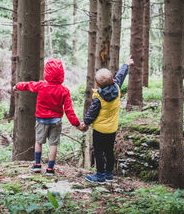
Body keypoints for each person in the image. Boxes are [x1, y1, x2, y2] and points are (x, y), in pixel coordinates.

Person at [14, 59, 82, 175]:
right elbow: (69, 110)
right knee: (53, 144)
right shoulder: (64, 90)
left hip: (41, 120)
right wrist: (77, 124)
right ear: (61, 74)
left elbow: (28, 85)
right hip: (56, 121)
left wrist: (17, 86)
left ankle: (37, 165)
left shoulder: (41, 85)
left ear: (47, 72)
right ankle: (50, 169)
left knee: (38, 142)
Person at [81, 56, 134, 184]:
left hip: (100, 130)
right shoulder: (117, 87)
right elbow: (121, 75)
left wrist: (85, 123)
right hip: (112, 129)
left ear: (97, 84)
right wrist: (126, 64)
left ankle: (100, 176)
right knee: (109, 151)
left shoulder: (98, 97)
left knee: (98, 152)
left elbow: (92, 113)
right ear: (112, 80)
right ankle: (109, 175)